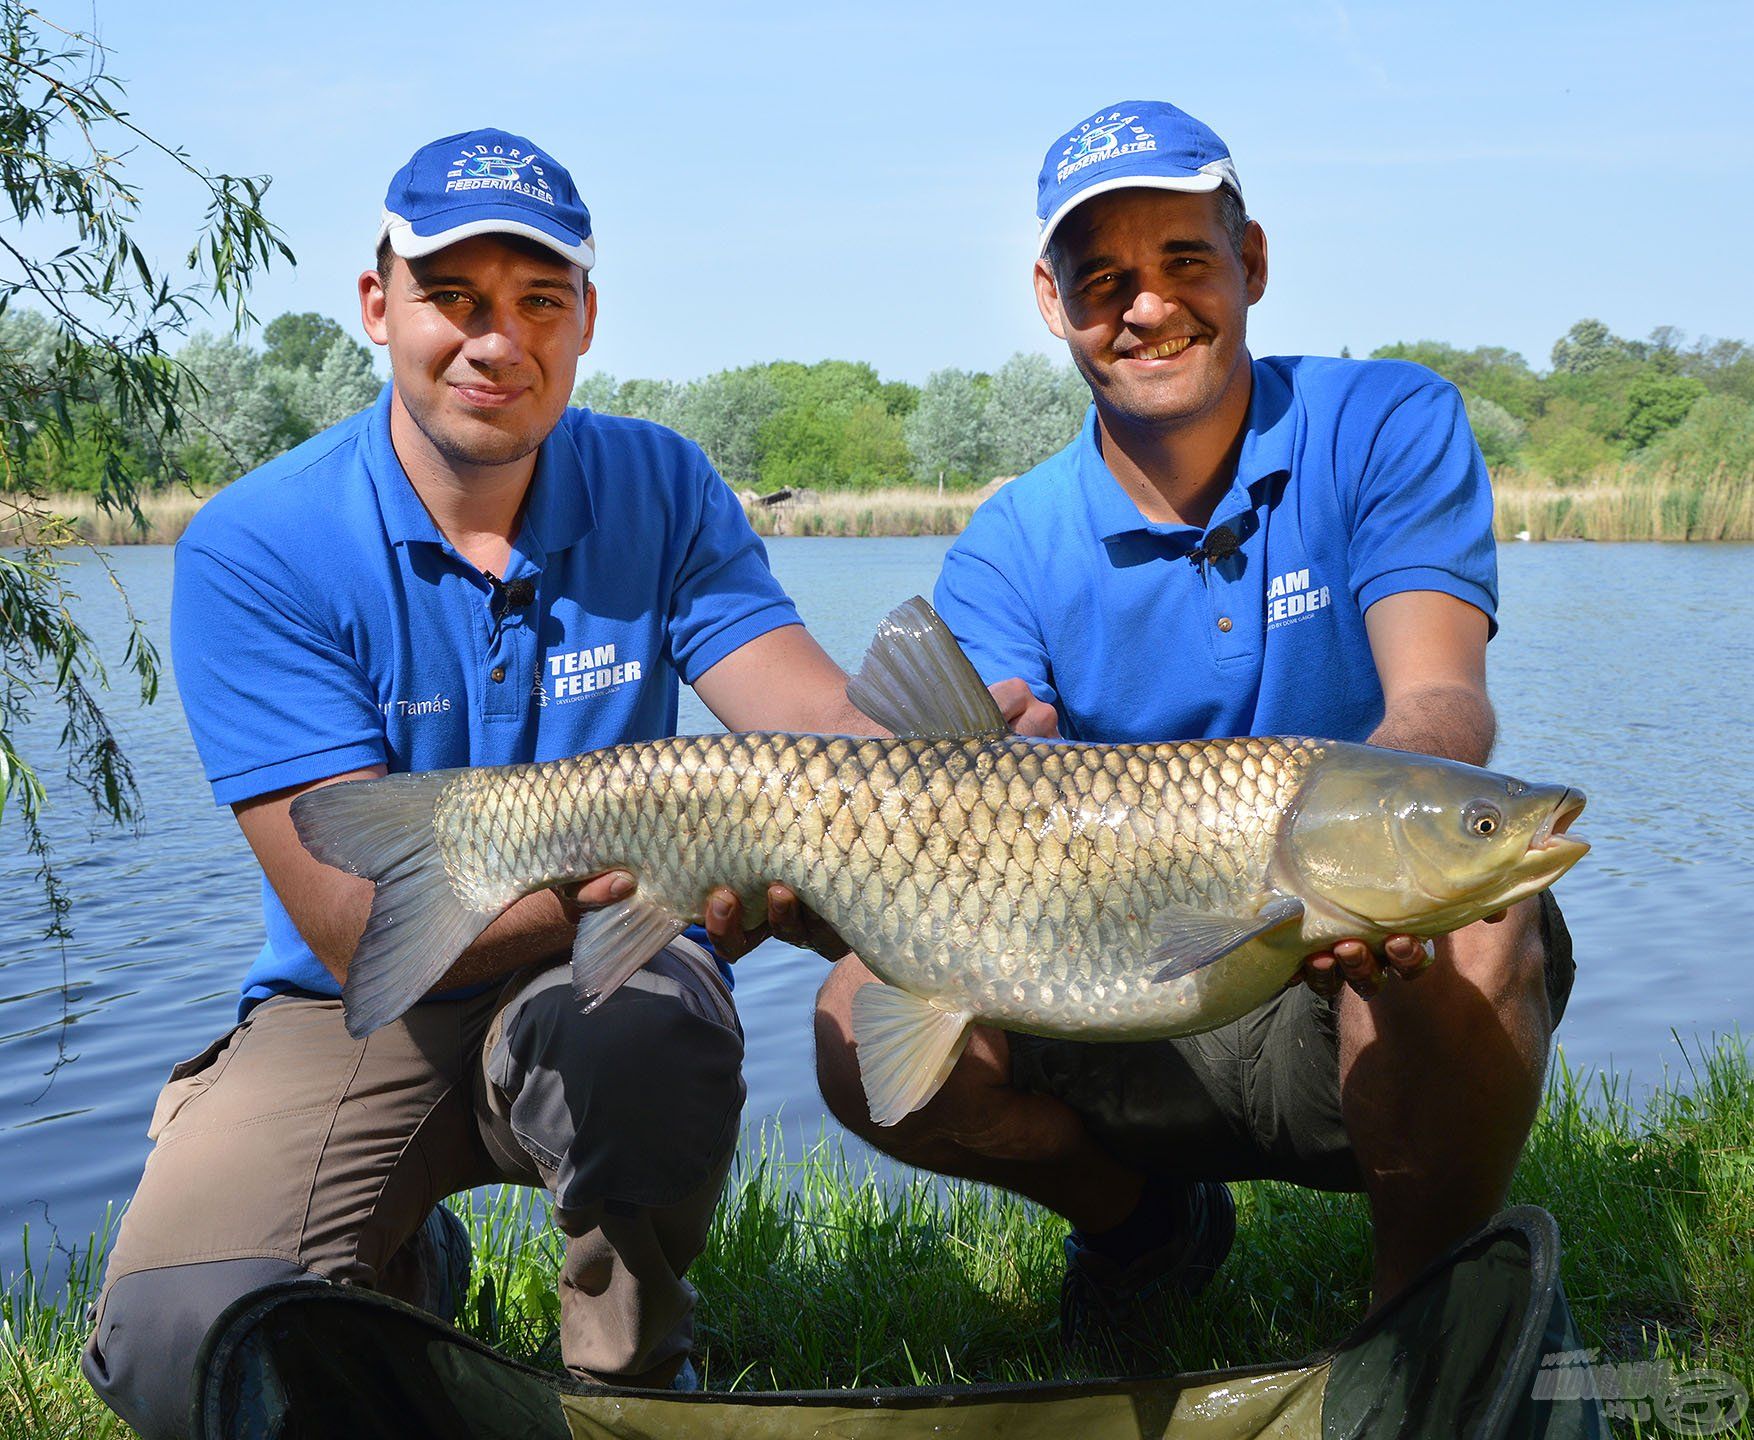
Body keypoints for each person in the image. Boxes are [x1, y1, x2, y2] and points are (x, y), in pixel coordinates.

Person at [81, 128, 868, 1440]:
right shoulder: (256, 544)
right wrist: (677, 856)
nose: (495, 340)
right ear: (378, 305)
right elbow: (351, 924)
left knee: (650, 1031)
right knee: (182, 1353)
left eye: (536, 301)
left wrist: (960, 773)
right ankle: (399, 1265)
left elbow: (811, 718)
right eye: (453, 297)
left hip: (604, 975)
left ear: (585, 323)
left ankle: (629, 1383)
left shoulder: (659, 483)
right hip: (348, 1000)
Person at [814, 100, 1576, 1357]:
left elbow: (1437, 701)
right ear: (1052, 305)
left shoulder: (1383, 423)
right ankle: (1141, 1232)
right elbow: (961, 793)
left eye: (1184, 262)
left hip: (1341, 991)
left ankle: (1414, 1309)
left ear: (1252, 264)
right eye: (1102, 279)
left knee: (1480, 920)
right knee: (853, 1022)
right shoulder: (1010, 543)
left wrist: (1409, 842)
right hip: (1112, 977)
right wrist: (846, 855)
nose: (1148, 307)